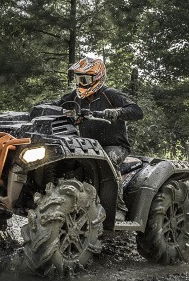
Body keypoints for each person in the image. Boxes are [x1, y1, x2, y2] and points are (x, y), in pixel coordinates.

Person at [51, 56, 143, 220]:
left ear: (97, 78)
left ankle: (119, 207)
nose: (80, 82)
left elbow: (137, 111)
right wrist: (45, 109)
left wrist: (117, 112)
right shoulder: (76, 96)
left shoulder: (110, 94)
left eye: (84, 78)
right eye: (78, 78)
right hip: (88, 146)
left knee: (109, 160)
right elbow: (57, 105)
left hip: (114, 146)